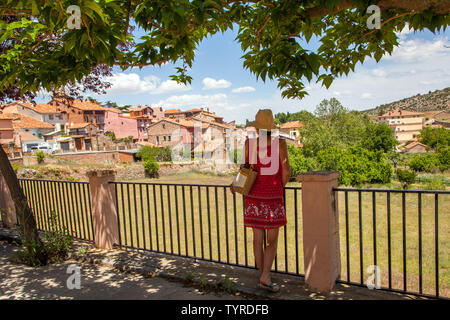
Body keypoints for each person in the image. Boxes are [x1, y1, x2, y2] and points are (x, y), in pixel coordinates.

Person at [231, 109, 291, 293]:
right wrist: (278, 186)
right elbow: (286, 171)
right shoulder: (280, 143)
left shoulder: (249, 143)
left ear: (257, 129)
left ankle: (262, 276)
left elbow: (244, 168)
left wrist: (236, 184)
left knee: (257, 240)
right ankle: (266, 276)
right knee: (271, 242)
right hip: (272, 197)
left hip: (253, 197)